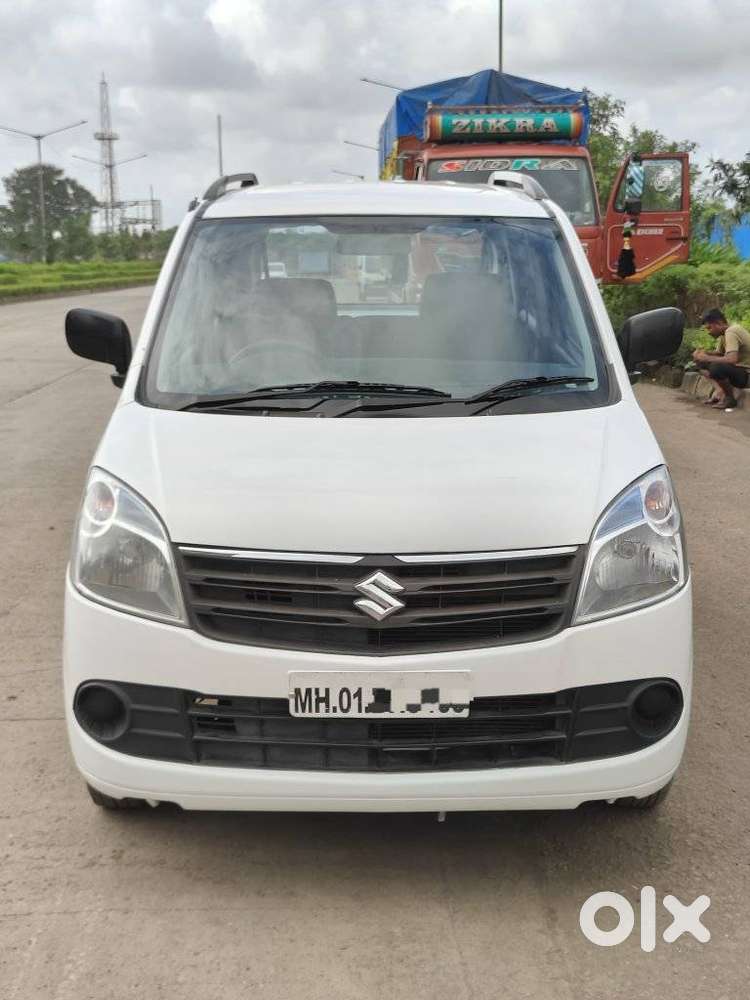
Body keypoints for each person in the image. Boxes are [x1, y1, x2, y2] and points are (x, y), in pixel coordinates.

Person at [692, 308, 750, 409]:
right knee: (700, 363)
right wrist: (704, 353)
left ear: (718, 323)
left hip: (747, 374)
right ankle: (720, 392)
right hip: (740, 372)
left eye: (709, 328)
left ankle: (729, 399)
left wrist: (706, 357)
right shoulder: (724, 334)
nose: (708, 332)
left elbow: (732, 359)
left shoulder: (731, 332)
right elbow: (720, 354)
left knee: (716, 367)